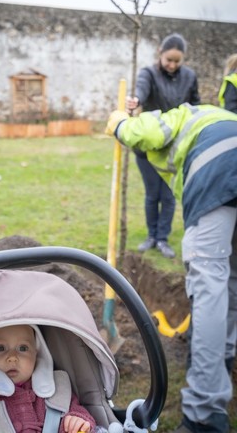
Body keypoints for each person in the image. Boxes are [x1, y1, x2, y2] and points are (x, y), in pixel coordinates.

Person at [105, 102, 237, 433]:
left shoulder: (176, 117)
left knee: (209, 285)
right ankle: (221, 364)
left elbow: (144, 131)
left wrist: (120, 123)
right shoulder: (221, 117)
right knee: (232, 286)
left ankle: (203, 414)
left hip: (218, 172)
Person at [126, 33, 200, 259]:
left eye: (177, 61)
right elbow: (141, 90)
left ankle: (162, 238)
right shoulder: (148, 73)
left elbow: (195, 103)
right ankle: (151, 235)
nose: (172, 64)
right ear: (160, 53)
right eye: (169, 59)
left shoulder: (189, 76)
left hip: (174, 147)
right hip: (148, 146)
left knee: (168, 195)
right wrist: (136, 101)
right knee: (152, 194)